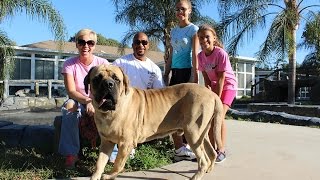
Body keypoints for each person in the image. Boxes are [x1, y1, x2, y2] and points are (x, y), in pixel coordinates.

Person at [59, 28, 110, 168]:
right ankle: (71, 153)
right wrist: (87, 101)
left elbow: (106, 88)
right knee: (69, 106)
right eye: (81, 42)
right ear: (76, 44)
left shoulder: (103, 64)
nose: (85, 46)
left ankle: (113, 153)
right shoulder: (69, 64)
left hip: (99, 100)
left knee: (112, 109)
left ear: (94, 45)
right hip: (79, 100)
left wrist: (95, 102)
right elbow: (71, 91)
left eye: (90, 42)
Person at [111, 32, 165, 163]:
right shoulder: (120, 63)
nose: (140, 45)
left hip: (142, 108)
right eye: (137, 42)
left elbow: (159, 93)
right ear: (133, 45)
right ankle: (114, 150)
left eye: (144, 42)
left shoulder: (154, 69)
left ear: (148, 45)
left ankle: (130, 145)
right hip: (121, 105)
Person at [163, 0, 199, 162]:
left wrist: (194, 76)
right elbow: (171, 53)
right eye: (177, 9)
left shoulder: (194, 30)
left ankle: (189, 146)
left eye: (183, 9)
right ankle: (179, 148)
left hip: (187, 73)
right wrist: (167, 71)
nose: (180, 12)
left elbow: (195, 55)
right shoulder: (174, 31)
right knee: (172, 110)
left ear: (190, 11)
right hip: (175, 74)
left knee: (189, 111)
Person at [197, 24, 237, 163]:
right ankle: (212, 150)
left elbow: (221, 79)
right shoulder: (200, 56)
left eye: (207, 37)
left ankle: (221, 150)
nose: (204, 40)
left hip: (228, 86)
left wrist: (217, 101)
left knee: (219, 116)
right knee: (209, 117)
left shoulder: (220, 54)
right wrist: (208, 96)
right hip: (214, 87)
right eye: (201, 38)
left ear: (214, 38)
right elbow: (207, 79)